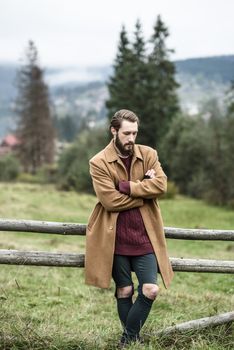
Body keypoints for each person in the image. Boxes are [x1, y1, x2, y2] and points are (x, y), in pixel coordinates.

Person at [85, 109, 174, 347]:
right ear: (114, 131)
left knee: (151, 289)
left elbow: (162, 185)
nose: (131, 138)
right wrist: (144, 188)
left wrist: (128, 187)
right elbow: (110, 201)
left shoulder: (149, 154)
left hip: (145, 237)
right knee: (124, 291)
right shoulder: (99, 161)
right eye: (126, 133)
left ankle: (127, 340)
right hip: (113, 239)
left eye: (135, 132)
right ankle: (132, 342)